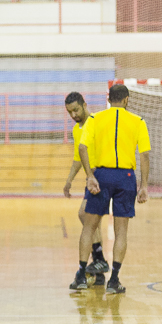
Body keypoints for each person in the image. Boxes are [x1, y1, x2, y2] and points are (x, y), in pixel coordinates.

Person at [74, 84, 150, 294]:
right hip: (126, 178)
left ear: (109, 99)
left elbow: (82, 147)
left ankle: (81, 276)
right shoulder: (138, 121)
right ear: (126, 100)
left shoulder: (95, 119)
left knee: (89, 227)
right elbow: (144, 155)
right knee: (121, 231)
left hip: (102, 175)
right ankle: (114, 280)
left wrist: (90, 176)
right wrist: (143, 185)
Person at [63, 92, 110, 289]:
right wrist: (69, 180)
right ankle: (99, 272)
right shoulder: (77, 129)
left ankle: (99, 259)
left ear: (84, 105)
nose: (73, 115)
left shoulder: (97, 122)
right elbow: (78, 158)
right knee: (92, 221)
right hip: (91, 179)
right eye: (69, 112)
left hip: (102, 175)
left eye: (76, 110)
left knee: (85, 214)